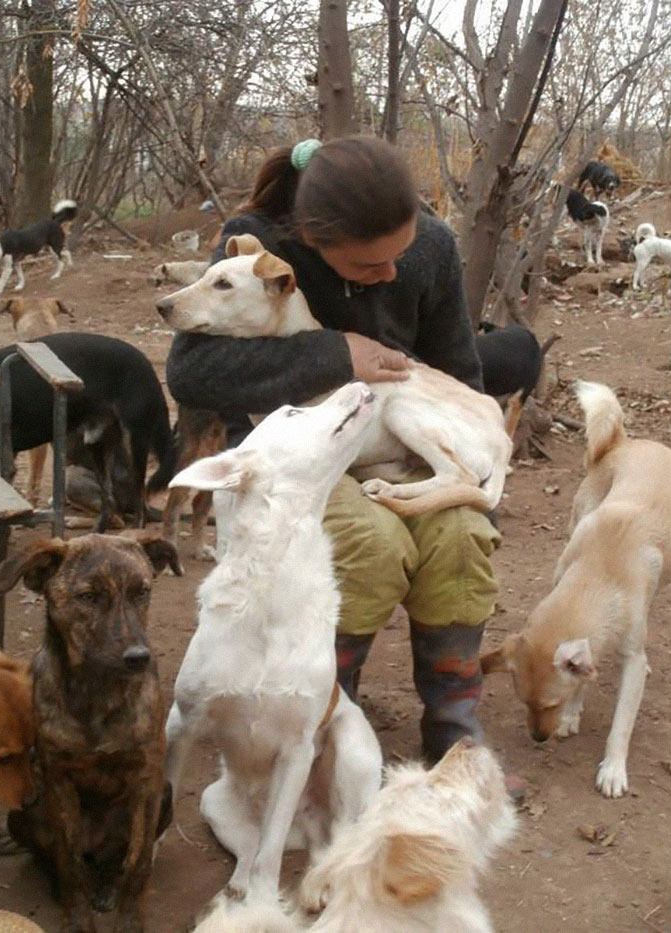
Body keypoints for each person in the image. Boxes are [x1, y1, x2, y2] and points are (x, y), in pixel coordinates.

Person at [166, 135, 501, 764]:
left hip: (394, 441)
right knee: (368, 542)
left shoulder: (430, 246)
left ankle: (452, 723)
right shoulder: (259, 245)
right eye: (369, 267)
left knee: (460, 537)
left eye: (400, 255)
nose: (391, 274)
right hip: (287, 449)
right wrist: (336, 353)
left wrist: (476, 480)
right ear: (312, 241)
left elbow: (459, 372)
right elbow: (191, 371)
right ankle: (322, 708)